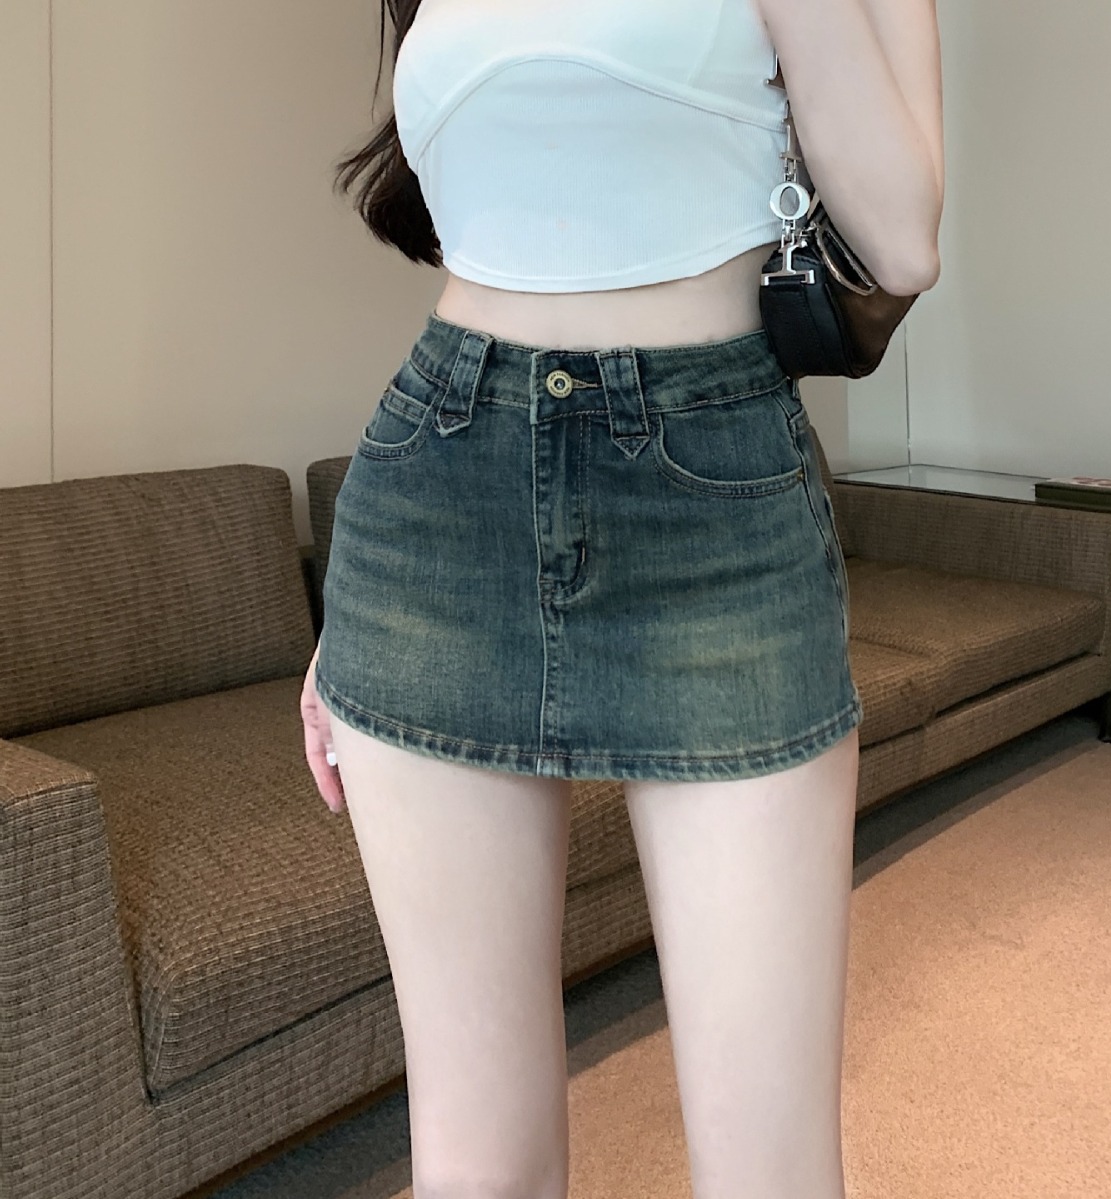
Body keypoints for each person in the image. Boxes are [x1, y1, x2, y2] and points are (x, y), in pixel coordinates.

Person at [300, 0, 944, 1195]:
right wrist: (342, 631)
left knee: (768, 1171)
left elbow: (899, 243)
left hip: (713, 490)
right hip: (435, 493)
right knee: (475, 1168)